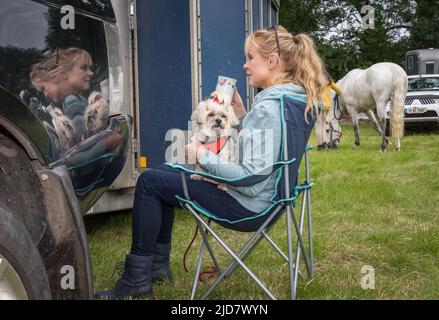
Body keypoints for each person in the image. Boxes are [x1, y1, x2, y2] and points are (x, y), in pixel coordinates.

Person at [95, 25, 327, 300]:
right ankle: (156, 270)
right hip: (274, 201)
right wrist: (241, 115)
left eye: (251, 58)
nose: (245, 65)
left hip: (248, 205)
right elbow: (263, 153)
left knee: (148, 181)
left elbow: (251, 176)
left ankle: (137, 280)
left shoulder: (269, 107)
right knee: (163, 173)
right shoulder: (292, 100)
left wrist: (201, 155)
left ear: (273, 62)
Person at [30, 48, 95, 145]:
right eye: (84, 68)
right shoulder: (76, 100)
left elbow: (82, 142)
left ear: (61, 74)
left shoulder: (71, 101)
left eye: (43, 88)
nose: (91, 73)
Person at [315, 72, 341, 150]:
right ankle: (325, 144)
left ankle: (321, 145)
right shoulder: (329, 82)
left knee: (318, 126)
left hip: (319, 105)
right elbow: (339, 90)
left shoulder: (317, 82)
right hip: (327, 106)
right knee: (323, 125)